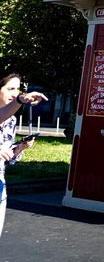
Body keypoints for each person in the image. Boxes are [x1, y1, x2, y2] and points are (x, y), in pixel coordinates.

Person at [1, 73, 42, 237]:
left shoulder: (11, 121)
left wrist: (20, 148)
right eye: (10, 88)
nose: (15, 93)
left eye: (18, 90)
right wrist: (21, 100)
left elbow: (8, 158)